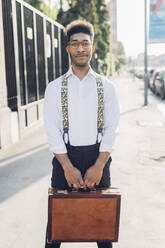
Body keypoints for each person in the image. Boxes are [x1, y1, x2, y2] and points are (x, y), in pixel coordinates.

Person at [44, 20, 120, 248]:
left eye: (85, 43)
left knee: (103, 226)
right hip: (64, 160)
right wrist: (67, 167)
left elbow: (111, 129)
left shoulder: (107, 87)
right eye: (75, 44)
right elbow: (52, 130)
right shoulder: (55, 87)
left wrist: (98, 166)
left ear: (92, 48)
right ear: (68, 49)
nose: (80, 48)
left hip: (99, 158)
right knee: (55, 229)